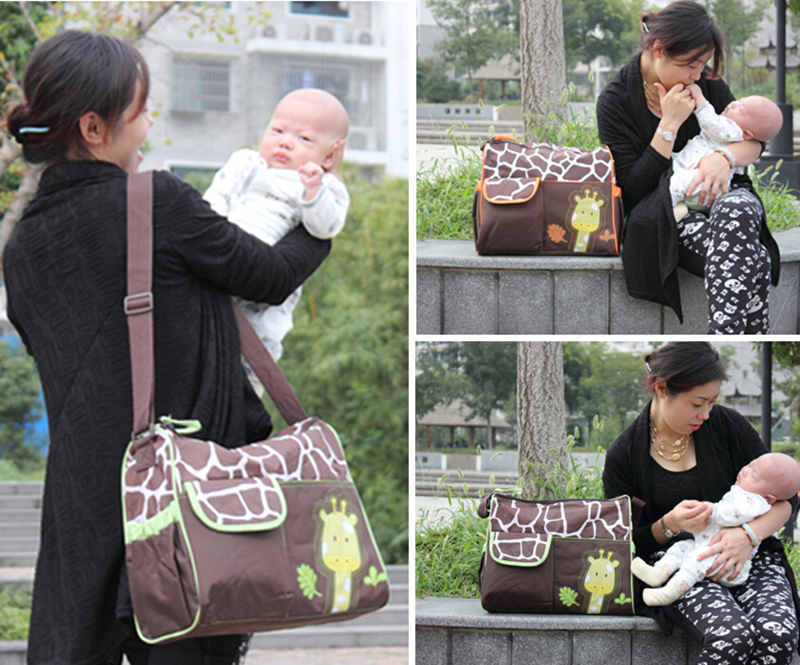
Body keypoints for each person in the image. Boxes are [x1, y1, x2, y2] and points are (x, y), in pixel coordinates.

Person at [1, 31, 331, 665]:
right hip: (181, 499)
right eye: (141, 109)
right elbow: (268, 275)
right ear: (94, 127)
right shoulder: (154, 202)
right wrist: (321, 215)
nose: (149, 124)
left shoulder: (21, 250)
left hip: (83, 508)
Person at [603, 342, 800, 665]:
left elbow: (787, 496)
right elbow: (623, 543)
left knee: (777, 635)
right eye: (697, 403)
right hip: (681, 564)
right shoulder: (624, 455)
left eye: (712, 402)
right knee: (732, 634)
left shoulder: (727, 426)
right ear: (662, 389)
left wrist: (747, 535)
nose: (706, 414)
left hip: (752, 557)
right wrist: (669, 524)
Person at [596, 0, 780, 334]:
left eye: (702, 65)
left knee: (738, 207)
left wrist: (723, 158)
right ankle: (732, 335)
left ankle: (722, 335)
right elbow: (632, 189)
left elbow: (753, 141)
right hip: (669, 211)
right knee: (755, 259)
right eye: (691, 65)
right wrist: (668, 125)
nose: (698, 75)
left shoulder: (705, 83)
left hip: (726, 192)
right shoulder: (616, 101)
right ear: (659, 50)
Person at [204, 88, 349, 362]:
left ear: (330, 156)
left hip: (263, 280)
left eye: (304, 138)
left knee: (255, 342)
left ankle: (252, 374)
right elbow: (214, 201)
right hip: (222, 252)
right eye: (278, 131)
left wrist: (314, 191)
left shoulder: (324, 187)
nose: (285, 143)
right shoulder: (246, 163)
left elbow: (325, 228)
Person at [632, 452, 800, 606]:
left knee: (697, 559)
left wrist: (711, 509)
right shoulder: (745, 491)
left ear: (770, 498)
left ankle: (671, 591)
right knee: (681, 547)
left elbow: (734, 514)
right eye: (749, 465)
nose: (745, 471)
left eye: (753, 476)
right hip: (710, 545)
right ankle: (659, 572)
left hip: (727, 561)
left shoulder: (756, 502)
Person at [671, 88, 782, 220]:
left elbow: (711, 122)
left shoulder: (734, 131)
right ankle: (680, 207)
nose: (734, 104)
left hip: (701, 185)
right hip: (700, 188)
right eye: (739, 101)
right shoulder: (737, 133)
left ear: (747, 134)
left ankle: (668, 205)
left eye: (740, 111)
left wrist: (699, 97)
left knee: (676, 184)